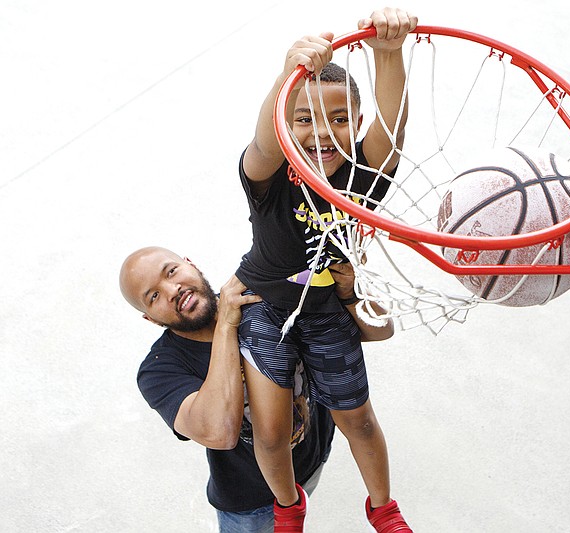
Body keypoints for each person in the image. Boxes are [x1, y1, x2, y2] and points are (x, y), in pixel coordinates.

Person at [233, 7, 416, 532]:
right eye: (304, 118)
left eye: (339, 119)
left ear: (356, 124)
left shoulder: (360, 177)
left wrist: (388, 51)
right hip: (266, 306)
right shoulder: (268, 176)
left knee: (357, 417)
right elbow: (265, 139)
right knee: (270, 432)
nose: (321, 133)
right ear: (286, 123)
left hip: (325, 309)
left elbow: (391, 125)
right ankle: (289, 505)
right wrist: (284, 73)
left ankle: (383, 507)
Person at [120, 246, 390, 532]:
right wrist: (225, 324)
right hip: (248, 505)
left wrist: (349, 292)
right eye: (154, 296)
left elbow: (378, 330)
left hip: (312, 462)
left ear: (191, 264)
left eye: (171, 272)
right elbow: (219, 432)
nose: (171, 290)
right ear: (150, 318)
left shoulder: (260, 295)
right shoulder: (159, 369)